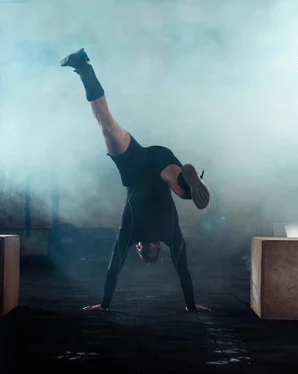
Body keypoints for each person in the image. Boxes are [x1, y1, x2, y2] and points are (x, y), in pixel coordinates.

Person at [60, 48, 210, 312]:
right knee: (106, 124)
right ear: (140, 248)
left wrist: (191, 304)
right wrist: (103, 305)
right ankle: (81, 66)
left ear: (158, 248)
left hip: (159, 162)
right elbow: (113, 269)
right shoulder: (129, 235)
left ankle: (184, 182)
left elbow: (183, 271)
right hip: (136, 169)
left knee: (175, 186)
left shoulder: (170, 236)